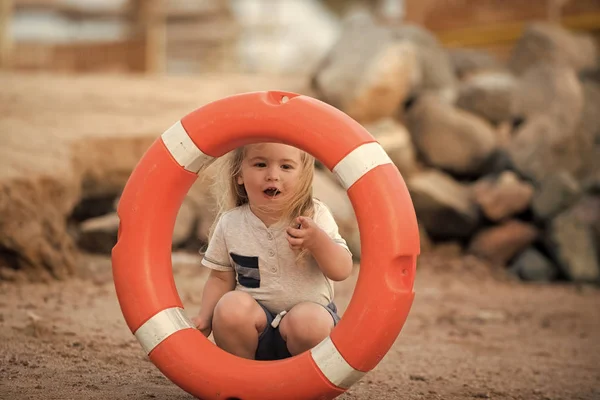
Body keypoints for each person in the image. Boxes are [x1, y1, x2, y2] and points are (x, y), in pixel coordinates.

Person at [191, 142, 353, 361]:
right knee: (230, 307)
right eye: (260, 164)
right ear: (239, 174)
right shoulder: (231, 223)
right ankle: (244, 380)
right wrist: (206, 316)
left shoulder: (315, 215)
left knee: (309, 321)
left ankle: (299, 386)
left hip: (307, 334)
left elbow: (341, 270)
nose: (272, 175)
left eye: (286, 167)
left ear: (303, 175)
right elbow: (220, 279)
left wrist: (318, 242)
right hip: (254, 333)